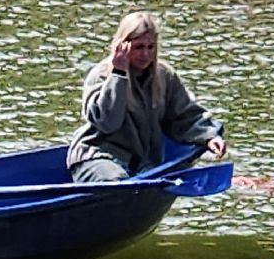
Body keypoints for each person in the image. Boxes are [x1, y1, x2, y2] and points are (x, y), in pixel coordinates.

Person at [67, 11, 227, 183]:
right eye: (138, 47)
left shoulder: (164, 76)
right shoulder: (101, 76)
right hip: (98, 156)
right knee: (117, 184)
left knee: (144, 183)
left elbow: (184, 116)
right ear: (123, 45)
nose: (145, 55)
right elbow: (107, 123)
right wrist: (118, 75)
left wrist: (209, 137)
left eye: (150, 47)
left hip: (141, 162)